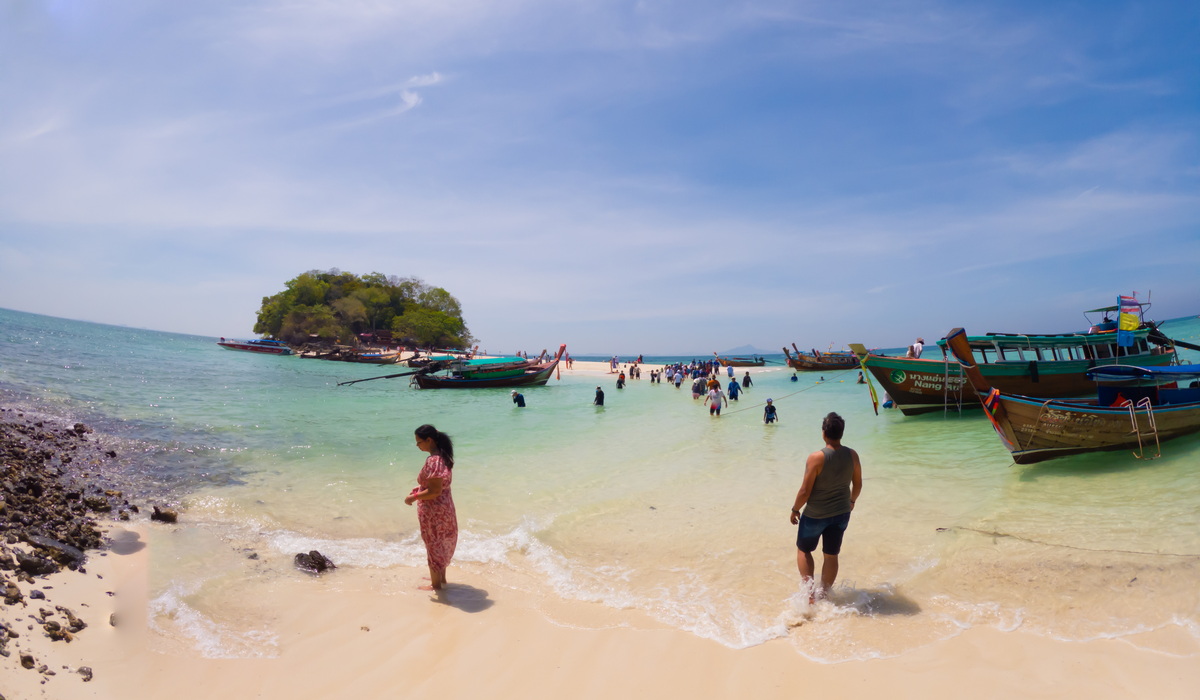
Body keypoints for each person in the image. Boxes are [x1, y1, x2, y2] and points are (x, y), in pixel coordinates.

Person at [789, 412, 862, 601]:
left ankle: (809, 595)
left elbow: (805, 491)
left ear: (824, 433)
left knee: (804, 550)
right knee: (831, 555)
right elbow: (858, 484)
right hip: (841, 514)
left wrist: (795, 509)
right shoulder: (852, 455)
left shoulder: (816, 457)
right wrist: (851, 501)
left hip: (815, 514)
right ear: (841, 433)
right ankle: (824, 595)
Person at [404, 424, 458, 591]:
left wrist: (413, 497)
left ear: (429, 440)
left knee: (433, 543)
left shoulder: (434, 460)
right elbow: (436, 487)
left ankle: (435, 585)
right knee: (439, 542)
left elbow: (434, 491)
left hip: (434, 510)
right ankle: (440, 578)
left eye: (419, 442)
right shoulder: (443, 457)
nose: (417, 446)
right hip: (445, 508)